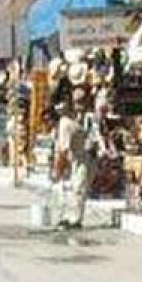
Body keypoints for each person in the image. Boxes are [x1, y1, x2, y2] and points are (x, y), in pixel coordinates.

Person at [54, 86, 93, 229]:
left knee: (78, 187)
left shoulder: (84, 117)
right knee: (74, 187)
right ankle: (69, 218)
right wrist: (59, 168)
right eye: (77, 102)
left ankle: (75, 219)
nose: (80, 105)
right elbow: (63, 150)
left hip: (83, 157)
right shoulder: (65, 123)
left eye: (82, 102)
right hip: (75, 157)